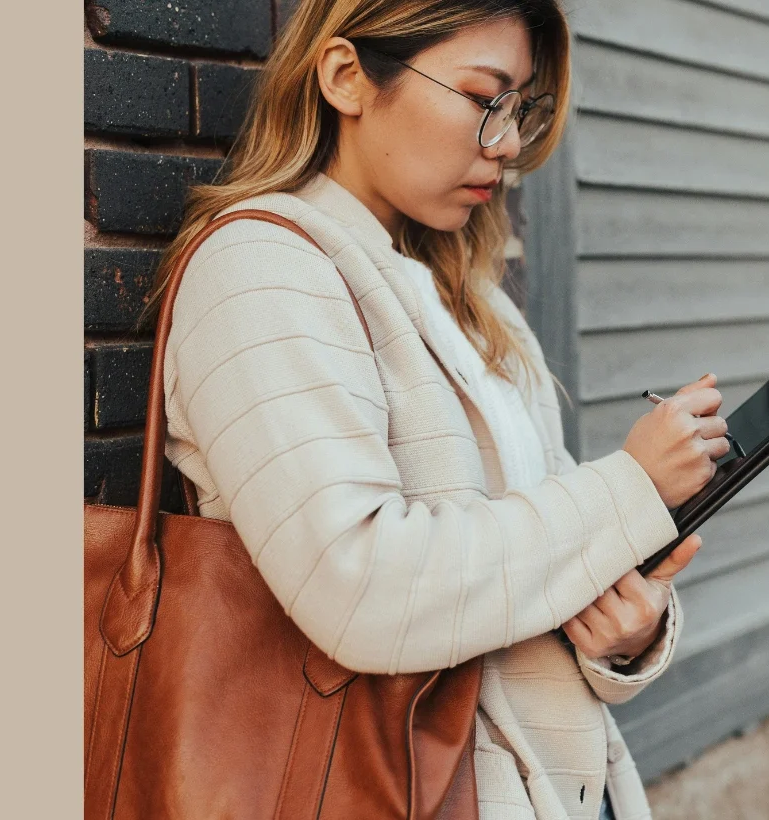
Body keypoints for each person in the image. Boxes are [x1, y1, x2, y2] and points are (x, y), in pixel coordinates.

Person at [149, 1, 729, 818]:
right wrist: (629, 489)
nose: (508, 144)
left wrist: (623, 631)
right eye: (482, 97)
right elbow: (362, 592)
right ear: (347, 78)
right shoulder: (261, 268)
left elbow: (544, 552)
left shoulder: (472, 300)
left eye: (519, 107)